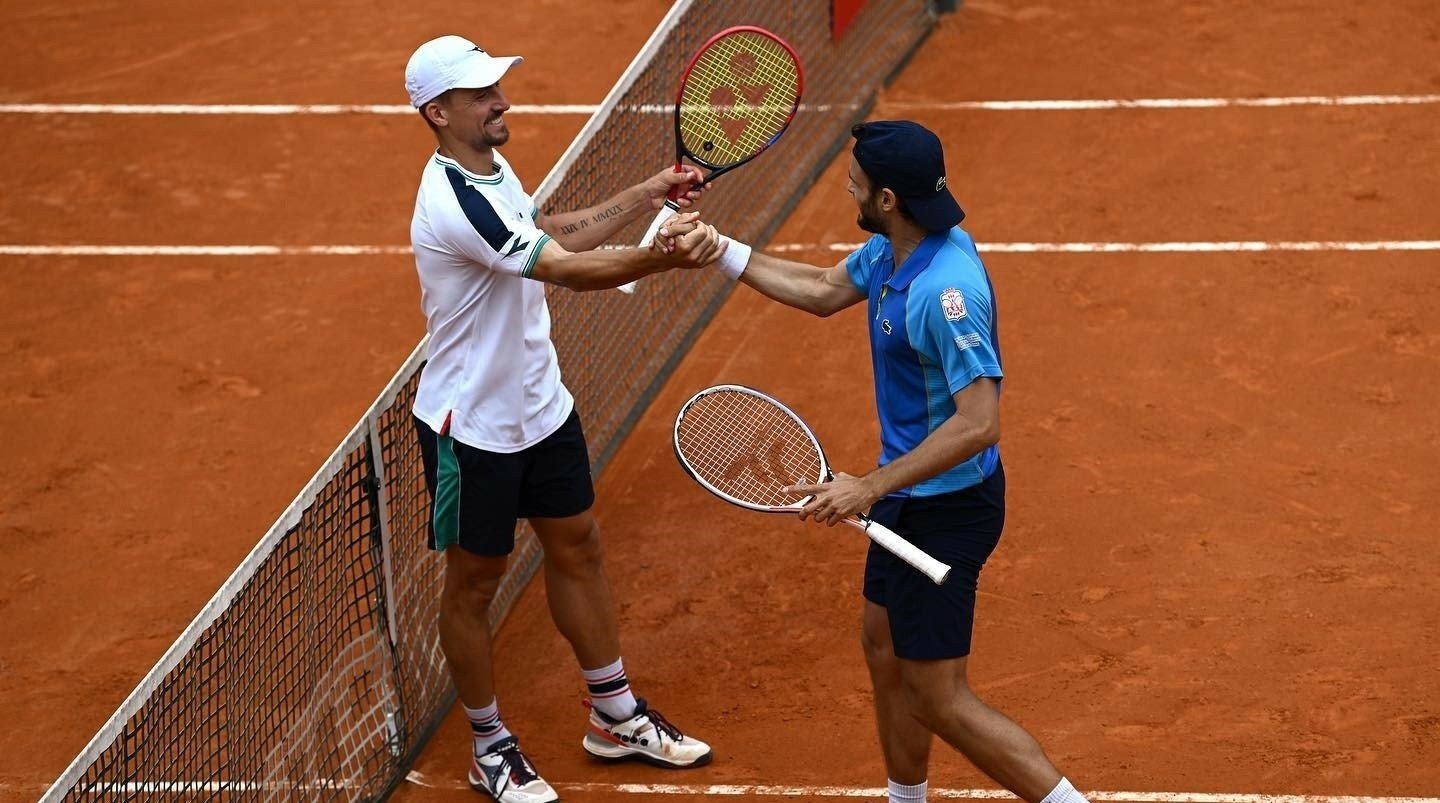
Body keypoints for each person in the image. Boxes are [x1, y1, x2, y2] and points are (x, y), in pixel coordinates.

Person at [701, 121, 1092, 803]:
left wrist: (868, 487)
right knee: (883, 649)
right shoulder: (895, 250)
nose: (845, 190)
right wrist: (721, 251)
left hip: (946, 508)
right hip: (907, 499)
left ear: (886, 198)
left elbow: (979, 423)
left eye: (853, 183)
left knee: (939, 697)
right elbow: (822, 289)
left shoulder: (947, 294)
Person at [403, 34, 733, 803]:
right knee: (474, 583)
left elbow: (546, 230)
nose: (501, 100)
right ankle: (490, 747)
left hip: (541, 405)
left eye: (497, 86)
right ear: (437, 112)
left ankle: (613, 713)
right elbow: (562, 269)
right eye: (482, 93)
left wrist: (648, 193)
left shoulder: (489, 166)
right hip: (471, 428)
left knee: (578, 544)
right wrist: (664, 258)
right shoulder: (452, 201)